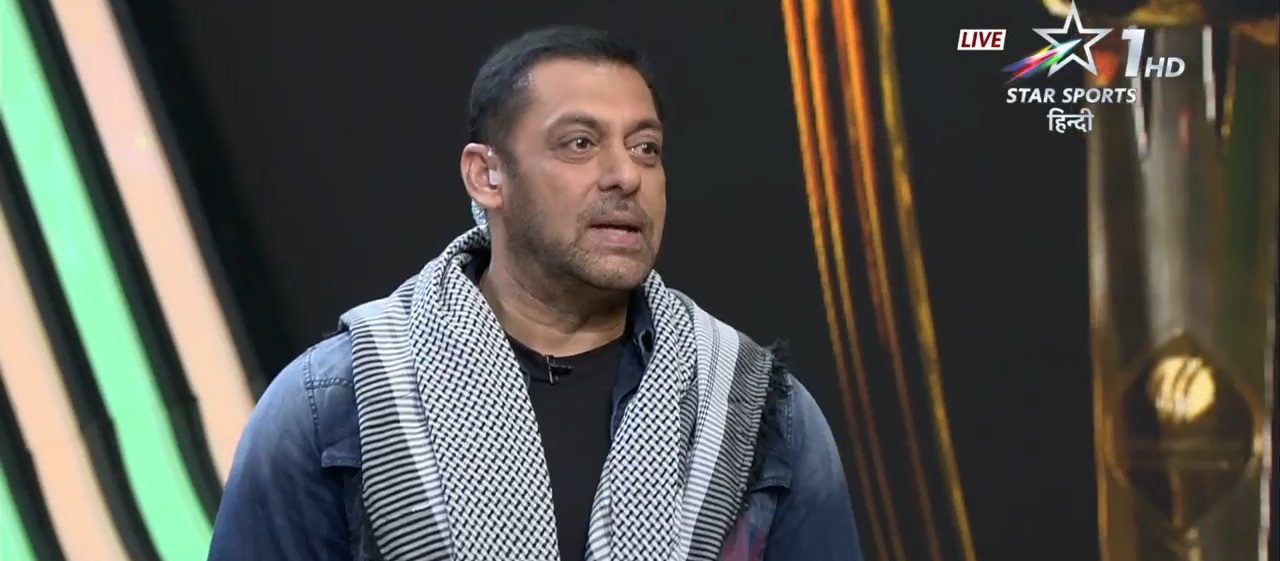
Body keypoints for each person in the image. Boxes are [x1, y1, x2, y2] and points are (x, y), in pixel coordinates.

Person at [207, 25, 863, 561]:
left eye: (646, 148)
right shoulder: (336, 403)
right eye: (579, 143)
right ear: (486, 176)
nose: (625, 175)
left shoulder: (754, 411)